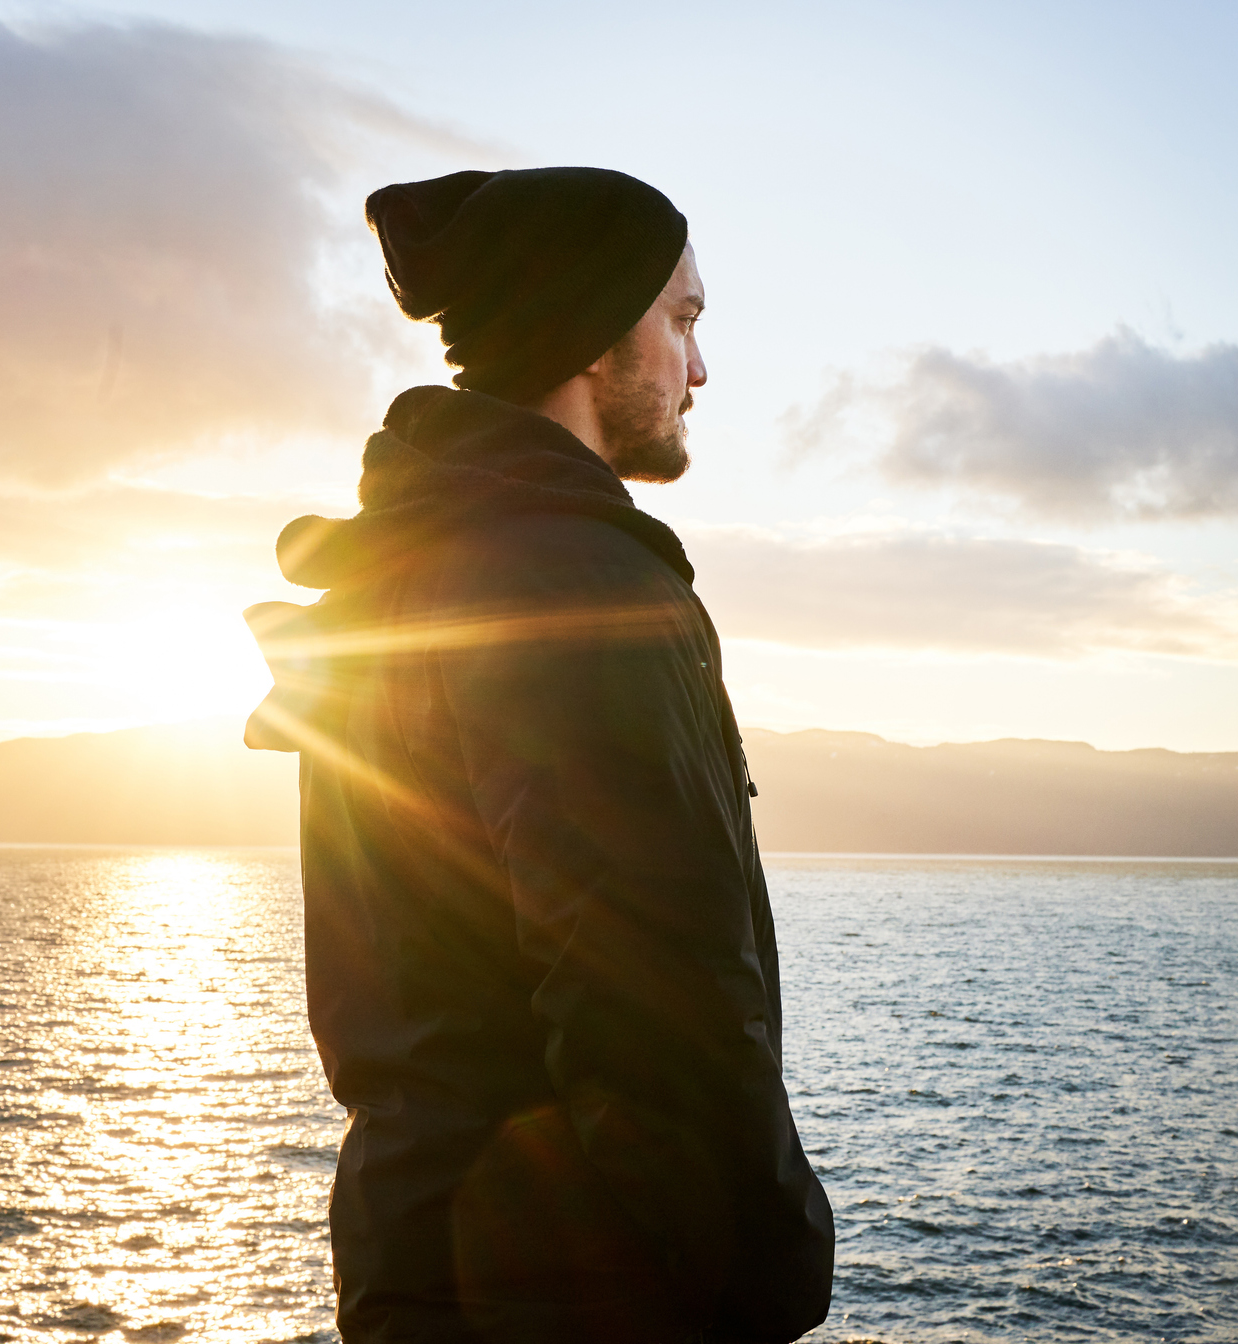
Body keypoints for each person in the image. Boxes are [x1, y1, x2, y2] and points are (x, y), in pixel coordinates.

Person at [243, 167, 835, 1344]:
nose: (699, 371)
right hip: (573, 1288)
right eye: (683, 322)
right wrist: (761, 1278)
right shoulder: (578, 586)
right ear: (588, 335)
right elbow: (647, 992)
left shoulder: (396, 577)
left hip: (412, 1258)